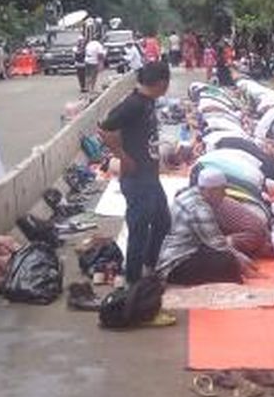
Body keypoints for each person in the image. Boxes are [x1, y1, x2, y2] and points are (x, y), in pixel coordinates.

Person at [99, 61, 172, 283]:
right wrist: (123, 156)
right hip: (137, 179)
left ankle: (149, 266)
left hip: (149, 176)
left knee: (162, 222)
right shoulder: (134, 104)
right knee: (139, 232)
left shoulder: (148, 102)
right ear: (161, 83)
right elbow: (105, 128)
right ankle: (133, 283)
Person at [157, 167, 256, 285]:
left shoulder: (189, 193)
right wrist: (242, 262)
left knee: (227, 256)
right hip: (175, 265)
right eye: (222, 190)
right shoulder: (200, 209)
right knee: (228, 262)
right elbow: (219, 245)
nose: (224, 194)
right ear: (209, 191)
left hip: (178, 254)